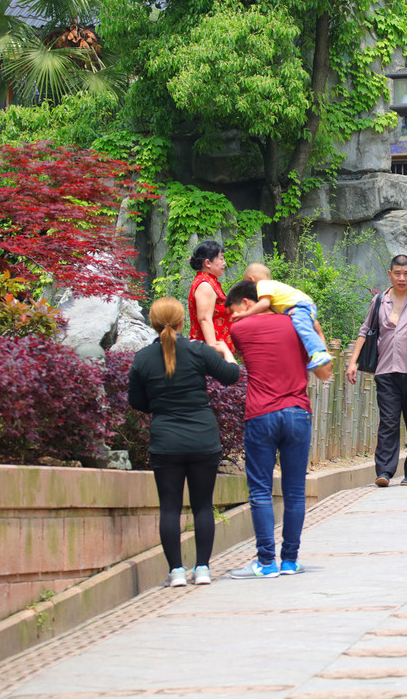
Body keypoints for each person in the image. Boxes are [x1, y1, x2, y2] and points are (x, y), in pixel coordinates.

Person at [128, 297, 242, 588]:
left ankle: (176, 572)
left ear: (152, 324)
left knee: (169, 507)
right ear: (181, 323)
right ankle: (202, 569)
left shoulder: (141, 358)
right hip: (203, 438)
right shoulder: (198, 350)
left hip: (166, 441)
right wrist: (226, 351)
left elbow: (137, 402)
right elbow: (232, 376)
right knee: (203, 505)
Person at [226, 281, 331, 579]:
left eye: (236, 311)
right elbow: (325, 373)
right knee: (295, 491)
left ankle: (265, 562)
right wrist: (317, 333)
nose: (234, 317)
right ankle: (289, 561)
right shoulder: (298, 324)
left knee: (260, 490)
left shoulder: (239, 330)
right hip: (298, 413)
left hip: (260, 414)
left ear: (247, 303)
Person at [347, 255, 407, 488]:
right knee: (388, 422)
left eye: (406, 273)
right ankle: (385, 471)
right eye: (397, 273)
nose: (402, 278)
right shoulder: (379, 300)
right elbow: (365, 330)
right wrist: (353, 362)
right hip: (386, 371)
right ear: (390, 274)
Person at [233, 264, 332, 371]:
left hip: (300, 306)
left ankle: (319, 352)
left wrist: (245, 314)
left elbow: (264, 304)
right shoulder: (271, 287)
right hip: (298, 307)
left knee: (302, 327)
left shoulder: (263, 284)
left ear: (251, 280)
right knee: (300, 329)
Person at [187, 241, 233, 357]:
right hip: (209, 354)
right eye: (221, 259)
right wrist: (214, 349)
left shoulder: (210, 282)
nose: (224, 263)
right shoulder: (205, 285)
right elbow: (204, 319)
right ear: (208, 262)